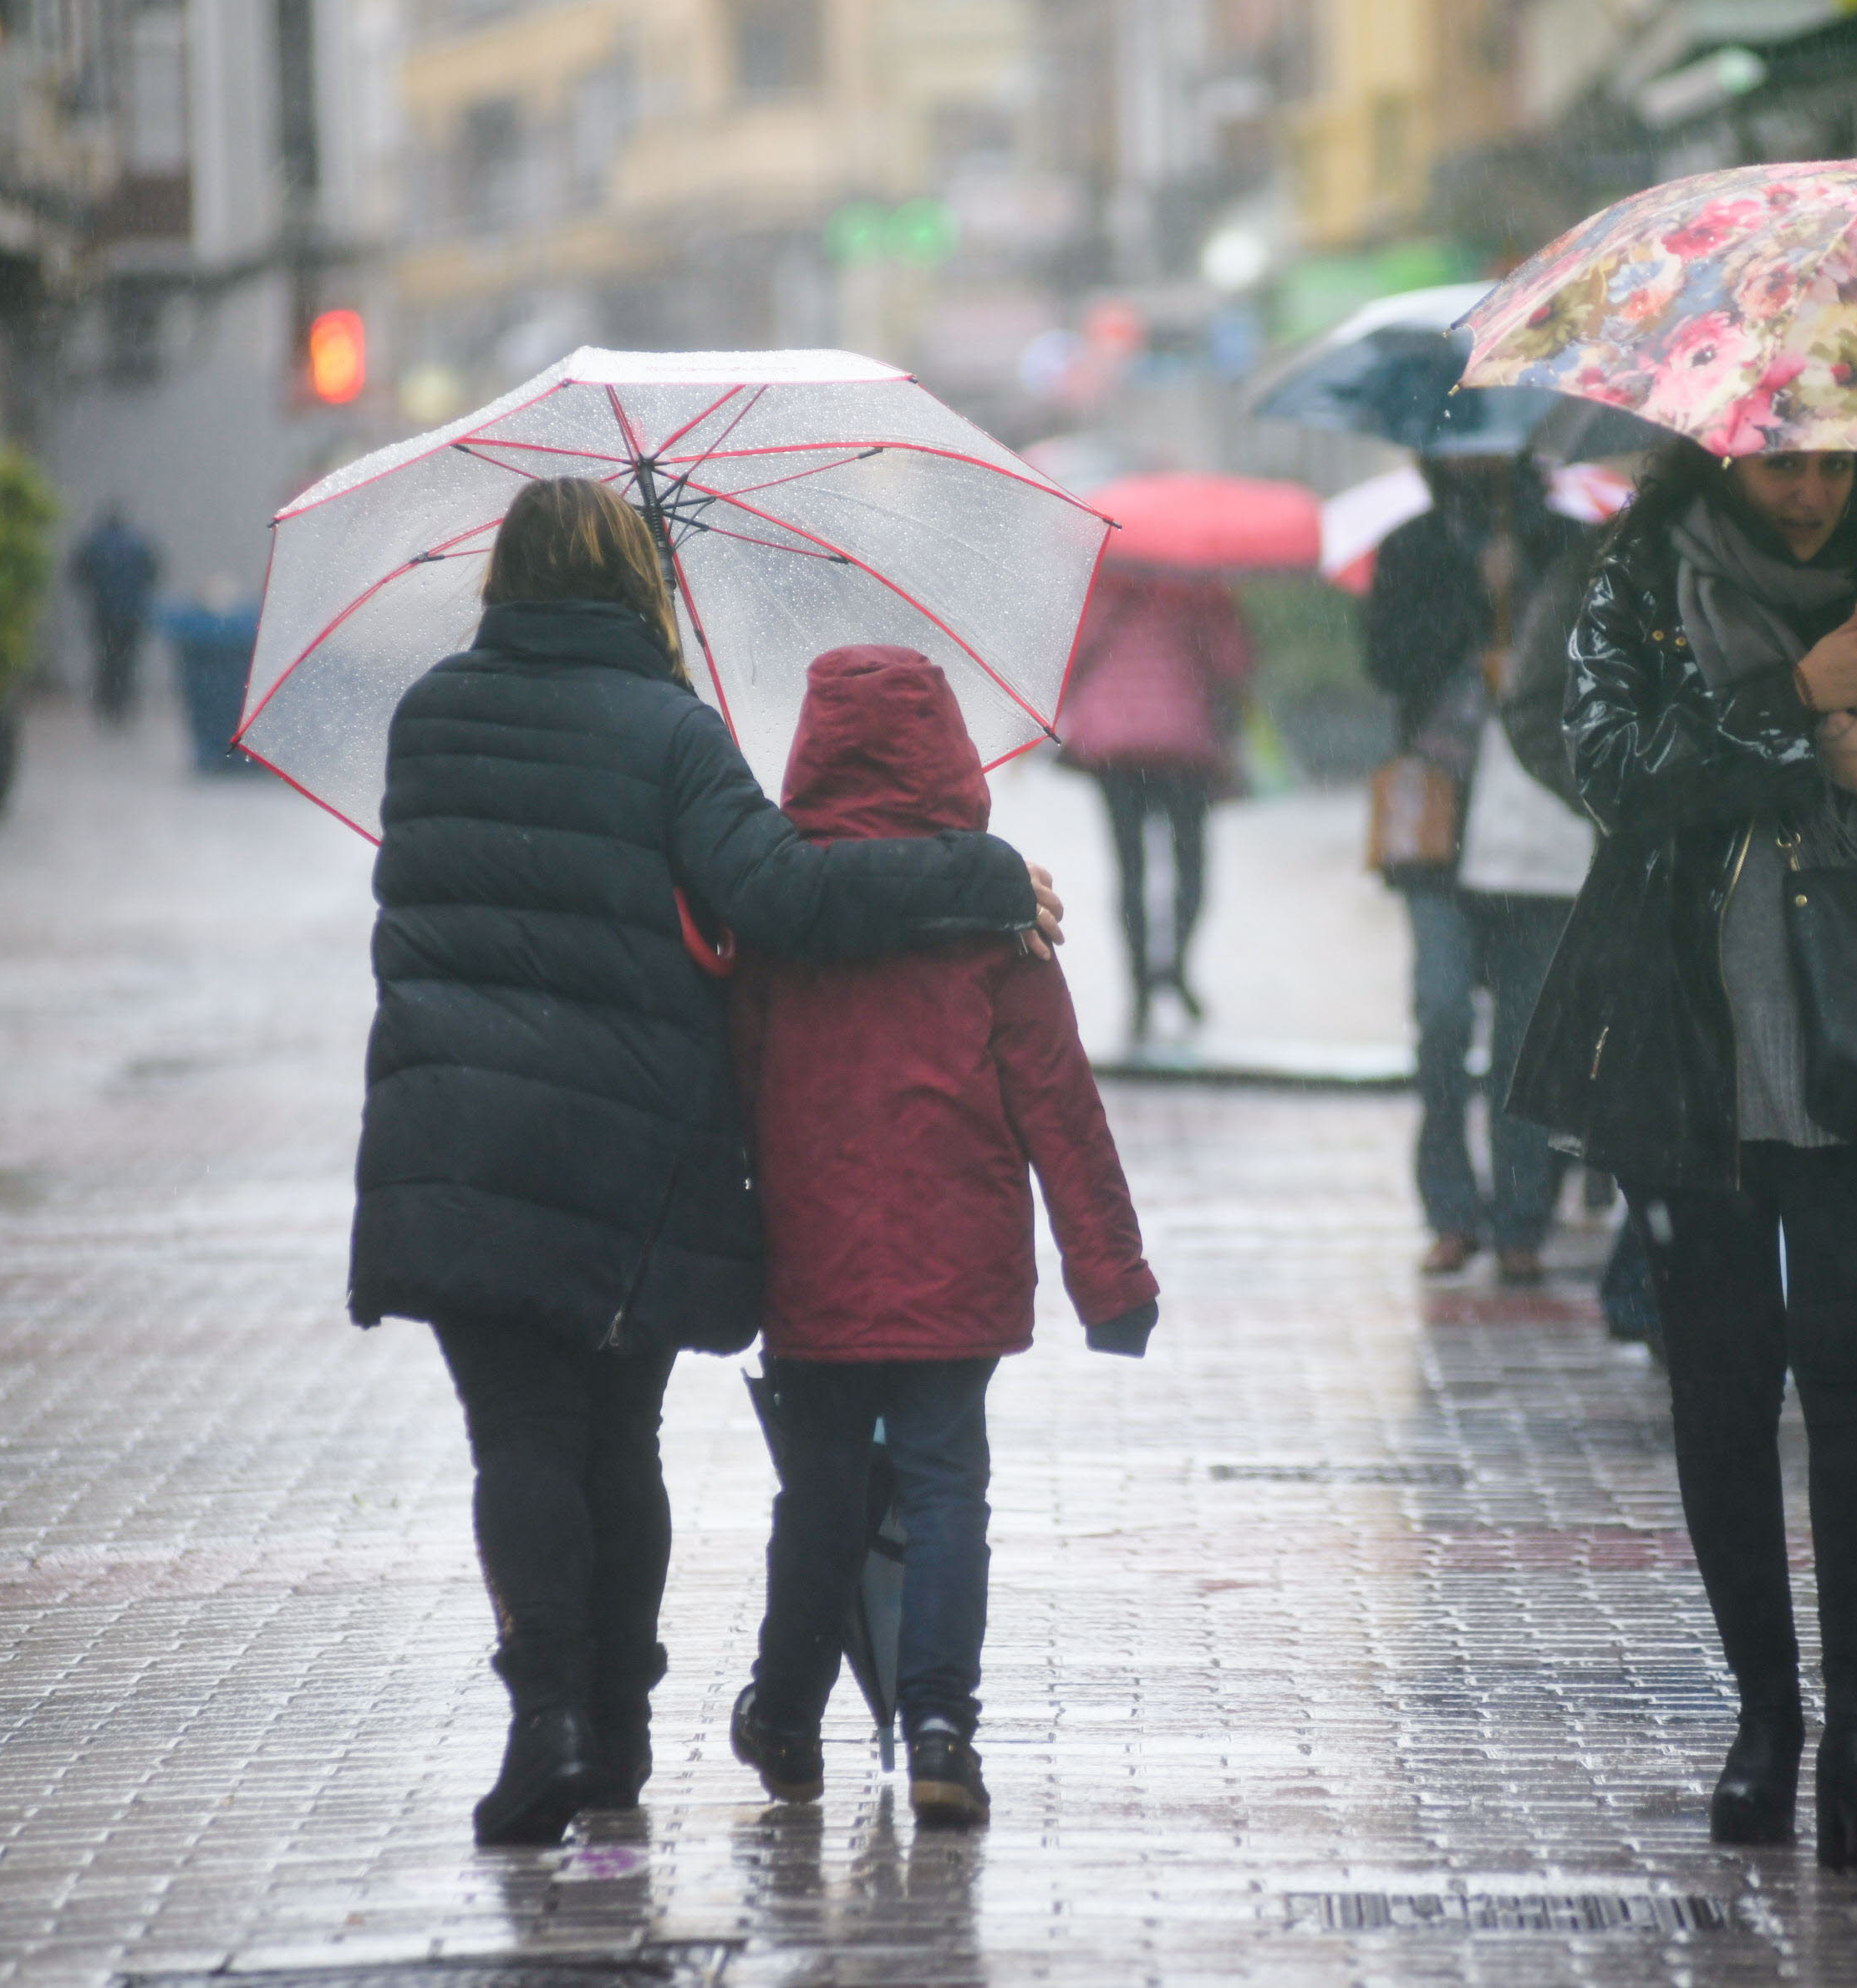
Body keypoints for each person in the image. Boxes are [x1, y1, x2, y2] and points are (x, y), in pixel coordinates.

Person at [349, 477, 1064, 1849]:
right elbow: (787, 897)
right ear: (640, 583)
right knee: (619, 1434)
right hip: (630, 1151)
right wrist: (973, 877)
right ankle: (615, 1732)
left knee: (520, 1438)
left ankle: (549, 1719)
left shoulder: (428, 714)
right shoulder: (674, 732)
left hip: (460, 1141)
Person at [1506, 440, 1857, 1867]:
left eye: (1837, 469)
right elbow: (1613, 773)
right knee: (1723, 1391)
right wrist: (1791, 706)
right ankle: (1765, 1719)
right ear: (1723, 455)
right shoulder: (1645, 586)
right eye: (1783, 468)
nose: (1809, 497)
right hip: (1687, 1045)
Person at [719, 643, 1162, 1825]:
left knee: (816, 1499)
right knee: (947, 1484)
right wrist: (1112, 1282)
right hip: (957, 1260)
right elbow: (1059, 1104)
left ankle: (790, 1719)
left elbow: (735, 1096)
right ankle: (941, 1730)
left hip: (814, 1260)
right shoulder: (994, 908)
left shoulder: (778, 913)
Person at [1362, 455, 1595, 1282]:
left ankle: (1522, 1216)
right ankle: (1450, 1209)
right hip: (1439, 819)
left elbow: (1602, 674)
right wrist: (1471, 599)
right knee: (1440, 1014)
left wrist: (1527, 616)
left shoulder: (1574, 546)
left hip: (1541, 824)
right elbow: (1384, 663)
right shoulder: (1414, 545)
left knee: (1530, 1033)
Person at [1053, 567, 1253, 1040]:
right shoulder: (1204, 586)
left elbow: (1070, 656)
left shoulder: (1105, 587)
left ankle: (1140, 988)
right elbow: (1235, 662)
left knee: (1130, 871)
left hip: (1114, 744)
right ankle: (1174, 966)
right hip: (1184, 742)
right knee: (1191, 866)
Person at [69, 503, 160, 723]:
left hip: (103, 612)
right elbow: (154, 573)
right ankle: (124, 703)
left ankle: (107, 704)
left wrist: (96, 591)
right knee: (128, 660)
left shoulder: (94, 543)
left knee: (105, 659)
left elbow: (77, 573)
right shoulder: (139, 544)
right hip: (132, 613)